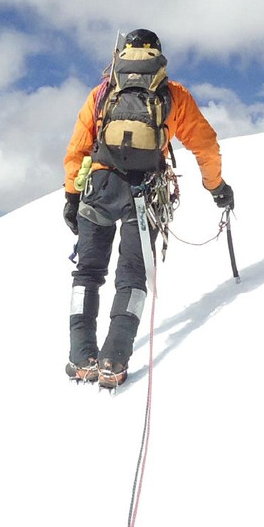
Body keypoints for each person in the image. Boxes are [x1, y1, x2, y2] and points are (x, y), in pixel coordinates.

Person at [62, 28, 234, 388]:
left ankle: (81, 357)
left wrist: (71, 195)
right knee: (133, 277)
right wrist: (216, 187)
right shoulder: (173, 95)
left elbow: (78, 147)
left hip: (98, 188)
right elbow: (205, 145)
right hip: (145, 194)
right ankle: (114, 359)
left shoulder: (103, 93)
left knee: (88, 274)